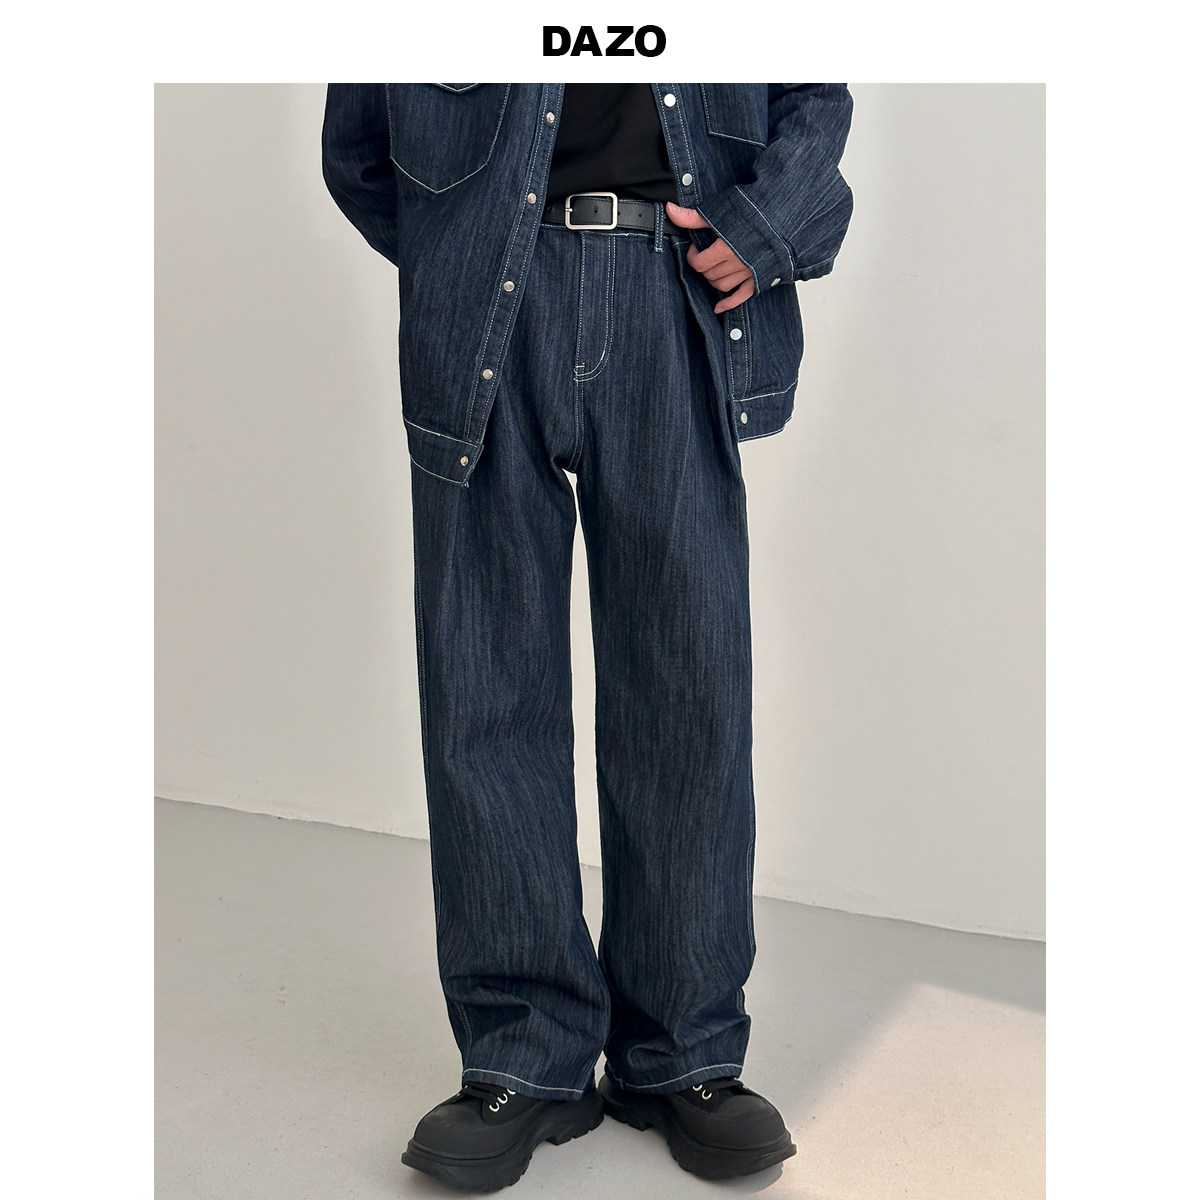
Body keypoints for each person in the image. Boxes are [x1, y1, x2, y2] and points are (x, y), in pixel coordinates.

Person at [322, 83, 853, 1191]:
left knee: (688, 690)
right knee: (485, 687)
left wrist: (761, 229)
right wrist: (465, 256)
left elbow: (815, 89)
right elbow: (359, 146)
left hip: (676, 294)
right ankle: (525, 1054)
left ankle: (684, 1051)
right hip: (489, 308)